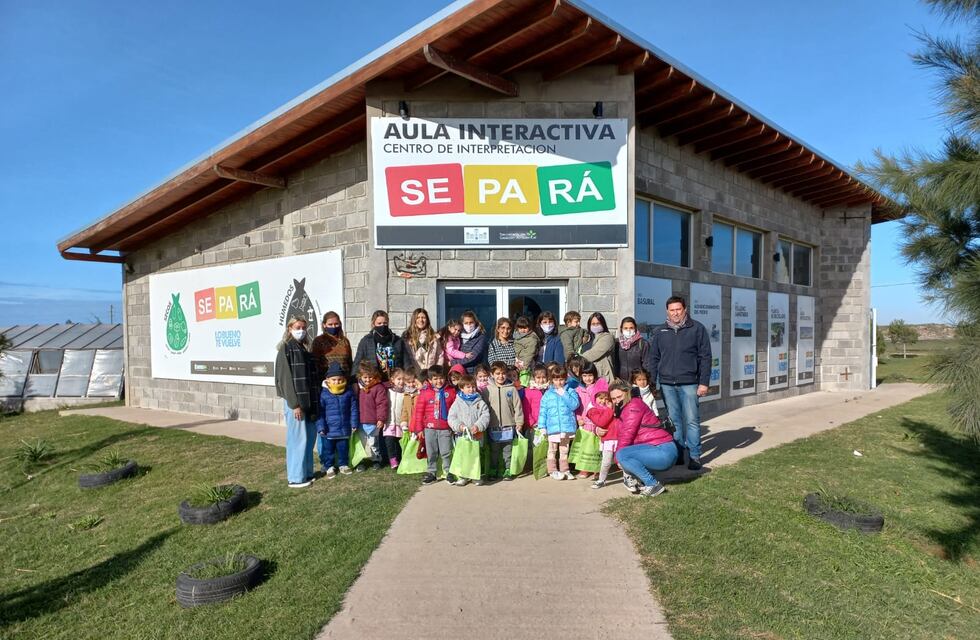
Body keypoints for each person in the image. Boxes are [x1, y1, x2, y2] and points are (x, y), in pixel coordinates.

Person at [646, 295, 712, 471]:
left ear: (685, 310)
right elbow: (654, 358)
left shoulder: (697, 329)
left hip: (690, 382)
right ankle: (678, 454)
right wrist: (652, 384)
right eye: (672, 310)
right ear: (667, 311)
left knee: (691, 420)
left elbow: (705, 357)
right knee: (674, 421)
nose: (675, 313)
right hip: (667, 384)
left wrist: (703, 382)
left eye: (678, 309)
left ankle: (694, 456)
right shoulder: (660, 332)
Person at [610, 381, 676, 497]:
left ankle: (653, 484)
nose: (617, 400)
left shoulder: (633, 406)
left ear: (627, 393)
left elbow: (627, 434)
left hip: (663, 451)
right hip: (658, 449)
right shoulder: (626, 406)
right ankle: (643, 481)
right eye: (613, 398)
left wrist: (618, 459)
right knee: (625, 454)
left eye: (619, 396)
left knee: (622, 454)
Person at [274, 316, 319, 488]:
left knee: (308, 439)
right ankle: (295, 477)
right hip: (296, 404)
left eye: (303, 327)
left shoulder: (304, 348)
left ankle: (307, 472)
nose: (301, 330)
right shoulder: (286, 348)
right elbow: (285, 379)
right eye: (297, 327)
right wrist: (294, 404)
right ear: (290, 329)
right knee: (297, 439)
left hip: (308, 401)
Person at [410, 364, 458, 485]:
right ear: (430, 380)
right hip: (429, 428)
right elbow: (419, 412)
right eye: (435, 378)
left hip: (445, 428)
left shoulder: (451, 392)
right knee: (431, 452)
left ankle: (448, 472)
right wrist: (419, 429)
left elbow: (455, 410)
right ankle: (432, 472)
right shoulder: (425, 393)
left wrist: (455, 426)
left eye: (441, 378)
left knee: (446, 451)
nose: (438, 381)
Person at [315, 362, 358, 477]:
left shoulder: (348, 392)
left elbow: (353, 409)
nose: (337, 382)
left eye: (339, 379)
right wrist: (321, 426)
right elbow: (320, 412)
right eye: (334, 380)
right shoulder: (324, 394)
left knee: (343, 448)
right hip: (329, 430)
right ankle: (329, 466)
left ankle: (343, 465)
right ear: (328, 380)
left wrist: (354, 423)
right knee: (328, 450)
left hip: (344, 429)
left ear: (343, 379)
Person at [538, 365, 580, 481]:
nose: (559, 382)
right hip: (552, 428)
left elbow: (574, 405)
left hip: (566, 427)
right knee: (552, 449)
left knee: (564, 449)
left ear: (565, 378)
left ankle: (565, 470)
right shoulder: (547, 394)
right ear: (552, 380)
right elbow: (543, 411)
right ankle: (552, 470)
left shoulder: (570, 391)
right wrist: (542, 426)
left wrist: (564, 394)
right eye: (556, 379)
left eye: (561, 379)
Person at [484, 360, 524, 481]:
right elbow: (484, 407)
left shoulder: (511, 389)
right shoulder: (487, 390)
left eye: (503, 373)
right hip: (493, 425)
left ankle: (508, 469)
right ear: (492, 374)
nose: (500, 376)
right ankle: (493, 469)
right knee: (494, 450)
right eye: (497, 373)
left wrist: (519, 422)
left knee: (508, 450)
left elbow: (518, 407)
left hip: (509, 425)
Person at [447, 374, 490, 486]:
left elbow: (485, 416)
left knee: (476, 456)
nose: (471, 389)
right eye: (468, 387)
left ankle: (476, 476)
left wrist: (478, 425)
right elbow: (451, 417)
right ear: (462, 388)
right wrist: (459, 426)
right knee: (463, 456)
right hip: (462, 436)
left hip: (477, 435)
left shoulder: (480, 402)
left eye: (473, 387)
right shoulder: (457, 402)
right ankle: (463, 476)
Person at [574, 362, 608, 479]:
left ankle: (597, 469)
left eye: (590, 375)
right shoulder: (578, 390)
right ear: (581, 376)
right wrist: (579, 418)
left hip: (597, 422)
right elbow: (578, 407)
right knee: (585, 446)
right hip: (585, 423)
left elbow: (604, 403)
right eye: (584, 376)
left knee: (597, 447)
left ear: (595, 375)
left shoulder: (600, 387)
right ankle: (585, 469)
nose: (587, 378)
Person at [352, 310, 408, 381]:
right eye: (379, 323)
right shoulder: (366, 341)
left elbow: (406, 362)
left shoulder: (398, 340)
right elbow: (357, 362)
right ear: (373, 324)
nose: (382, 326)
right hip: (374, 381)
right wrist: (353, 381)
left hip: (395, 381)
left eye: (385, 323)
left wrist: (409, 377)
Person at [355, 362, 389, 472]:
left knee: (374, 443)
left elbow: (382, 404)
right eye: (365, 377)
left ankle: (376, 460)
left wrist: (381, 418)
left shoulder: (378, 388)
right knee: (361, 443)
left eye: (370, 377)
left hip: (373, 421)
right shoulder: (357, 388)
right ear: (360, 377)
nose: (368, 380)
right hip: (360, 421)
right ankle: (360, 461)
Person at [587, 391, 619, 489]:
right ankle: (601, 480)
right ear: (595, 398)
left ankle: (629, 479)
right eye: (601, 398)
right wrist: (609, 410)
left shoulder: (616, 406)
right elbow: (601, 422)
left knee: (622, 462)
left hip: (619, 438)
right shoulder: (594, 410)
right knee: (606, 462)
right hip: (608, 439)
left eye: (606, 399)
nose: (604, 401)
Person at [311, 311, 353, 381]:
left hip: (345, 381)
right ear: (324, 325)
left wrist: (352, 380)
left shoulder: (345, 341)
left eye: (336, 324)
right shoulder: (318, 341)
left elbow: (350, 363)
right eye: (330, 324)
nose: (333, 326)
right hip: (326, 382)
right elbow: (315, 364)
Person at [580, 312, 617, 383]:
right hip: (585, 377)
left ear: (603, 324)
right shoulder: (587, 338)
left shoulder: (607, 337)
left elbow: (594, 353)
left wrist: (577, 360)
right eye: (593, 324)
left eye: (598, 323)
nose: (596, 326)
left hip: (601, 376)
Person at [384, 368, 408, 469]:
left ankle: (399, 458)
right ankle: (393, 460)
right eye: (398, 379)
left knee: (399, 442)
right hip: (389, 422)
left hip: (399, 422)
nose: (401, 381)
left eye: (403, 379)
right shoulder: (388, 391)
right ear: (392, 380)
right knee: (389, 441)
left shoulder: (405, 393)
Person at [616, 316, 649, 383]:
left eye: (631, 328)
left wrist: (644, 380)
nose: (628, 330)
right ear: (621, 329)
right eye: (625, 328)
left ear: (635, 328)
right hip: (621, 383)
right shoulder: (617, 343)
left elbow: (647, 365)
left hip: (637, 382)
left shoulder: (642, 343)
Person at [522, 364, 549, 435]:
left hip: (548, 424)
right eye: (538, 377)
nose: (541, 380)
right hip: (534, 426)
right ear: (534, 378)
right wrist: (531, 423)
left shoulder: (550, 390)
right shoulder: (529, 391)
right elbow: (526, 409)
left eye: (544, 377)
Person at [513, 315, 540, 383]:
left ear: (529, 327)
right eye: (521, 328)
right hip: (518, 363)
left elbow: (529, 354)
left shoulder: (532, 338)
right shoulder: (516, 336)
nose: (523, 330)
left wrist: (524, 366)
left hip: (526, 364)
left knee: (525, 382)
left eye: (525, 328)